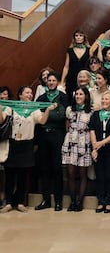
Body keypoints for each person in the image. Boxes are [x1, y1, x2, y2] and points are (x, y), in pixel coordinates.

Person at [0, 86, 56, 213]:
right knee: (9, 176)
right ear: (20, 95)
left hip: (27, 145)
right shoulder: (11, 107)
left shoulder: (34, 109)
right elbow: (1, 120)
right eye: (27, 92)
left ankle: (20, 202)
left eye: (31, 93)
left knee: (22, 176)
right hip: (12, 144)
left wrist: (47, 110)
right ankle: (8, 203)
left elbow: (42, 121)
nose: (30, 95)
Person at [35, 72, 69, 211]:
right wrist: (52, 114)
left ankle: (59, 201)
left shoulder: (63, 97)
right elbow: (39, 119)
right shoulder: (41, 98)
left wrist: (49, 115)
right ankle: (46, 200)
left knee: (57, 169)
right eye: (49, 80)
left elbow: (62, 116)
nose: (51, 82)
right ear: (46, 82)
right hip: (43, 135)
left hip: (58, 135)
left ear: (57, 82)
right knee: (45, 169)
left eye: (54, 80)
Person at [61, 87, 93, 212]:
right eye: (77, 94)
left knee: (83, 173)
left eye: (81, 94)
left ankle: (80, 201)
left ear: (86, 96)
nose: (78, 96)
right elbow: (67, 124)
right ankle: (73, 201)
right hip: (71, 140)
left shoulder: (91, 110)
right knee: (70, 173)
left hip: (84, 140)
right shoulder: (69, 109)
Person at [89, 90, 110, 214]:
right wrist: (95, 147)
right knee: (99, 176)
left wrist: (102, 143)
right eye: (103, 99)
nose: (104, 101)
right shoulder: (96, 114)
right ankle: (101, 201)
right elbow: (92, 130)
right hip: (98, 149)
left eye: (107, 99)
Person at [61, 29, 91, 97]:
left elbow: (91, 64)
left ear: (84, 37)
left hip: (84, 78)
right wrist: (62, 82)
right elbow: (66, 67)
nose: (78, 37)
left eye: (80, 35)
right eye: (76, 35)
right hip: (71, 77)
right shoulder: (70, 50)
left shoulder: (89, 50)